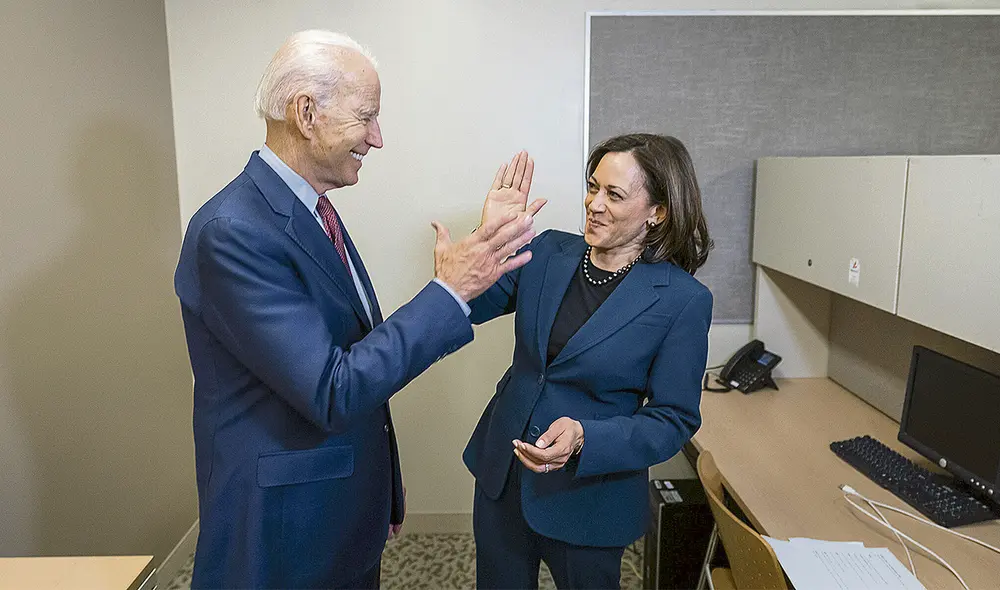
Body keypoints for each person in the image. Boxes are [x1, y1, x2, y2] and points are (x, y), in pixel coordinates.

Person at [173, 30, 540, 589]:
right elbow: (333, 388)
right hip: (282, 529)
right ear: (306, 113)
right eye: (366, 117)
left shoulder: (309, 209)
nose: (378, 138)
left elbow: (348, 354)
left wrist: (380, 484)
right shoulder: (235, 232)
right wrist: (448, 292)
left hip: (336, 505)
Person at [465, 134, 714, 589]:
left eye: (614, 194)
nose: (594, 204)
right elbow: (469, 306)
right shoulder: (545, 253)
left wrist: (585, 437)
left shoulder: (682, 300)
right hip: (504, 476)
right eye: (592, 186)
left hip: (590, 498)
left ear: (657, 212)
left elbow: (673, 419)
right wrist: (488, 241)